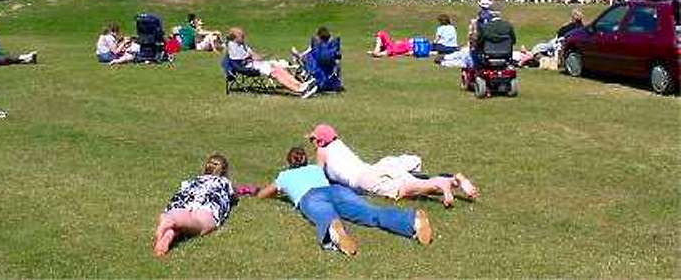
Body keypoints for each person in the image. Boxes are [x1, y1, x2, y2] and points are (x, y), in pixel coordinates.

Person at [257, 146, 432, 256]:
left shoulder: (284, 176)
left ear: (288, 163)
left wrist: (281, 191)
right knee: (371, 213)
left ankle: (333, 229)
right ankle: (412, 220)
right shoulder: (315, 169)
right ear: (305, 160)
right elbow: (321, 160)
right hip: (336, 190)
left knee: (323, 214)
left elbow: (263, 195)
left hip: (310, 196)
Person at [308, 124, 478, 208]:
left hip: (365, 179)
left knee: (402, 191)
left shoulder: (322, 151)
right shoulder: (339, 145)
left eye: (313, 139)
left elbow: (318, 176)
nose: (312, 142)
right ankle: (454, 180)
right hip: (379, 167)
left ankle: (440, 183)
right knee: (412, 183)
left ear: (321, 141)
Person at [152, 154, 235, 257]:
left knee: (182, 216)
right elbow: (233, 196)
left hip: (183, 201)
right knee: (198, 222)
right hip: (209, 204)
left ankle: (170, 231)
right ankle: (173, 222)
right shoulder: (224, 182)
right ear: (224, 171)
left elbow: (183, 189)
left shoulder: (194, 180)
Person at [225, 28, 313, 95]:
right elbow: (242, 60)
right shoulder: (232, 46)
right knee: (276, 73)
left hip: (255, 64)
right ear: (234, 38)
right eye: (241, 36)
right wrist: (253, 57)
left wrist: (260, 56)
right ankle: (298, 89)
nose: (243, 38)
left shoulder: (242, 45)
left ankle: (300, 84)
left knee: (279, 68)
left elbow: (252, 54)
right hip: (249, 68)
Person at [518, 9, 584, 66]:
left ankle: (528, 54)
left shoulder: (569, 27)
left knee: (537, 48)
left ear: (573, 18)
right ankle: (528, 54)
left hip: (558, 44)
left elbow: (559, 34)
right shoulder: (581, 27)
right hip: (560, 44)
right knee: (542, 49)